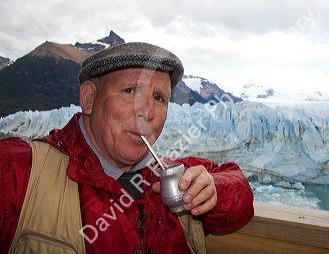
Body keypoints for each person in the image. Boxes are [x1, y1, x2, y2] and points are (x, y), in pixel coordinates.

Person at [0, 42, 254, 254]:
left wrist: (211, 191)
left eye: (159, 98)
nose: (148, 112)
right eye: (130, 90)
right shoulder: (18, 171)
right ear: (89, 98)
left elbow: (240, 194)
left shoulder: (172, 176)